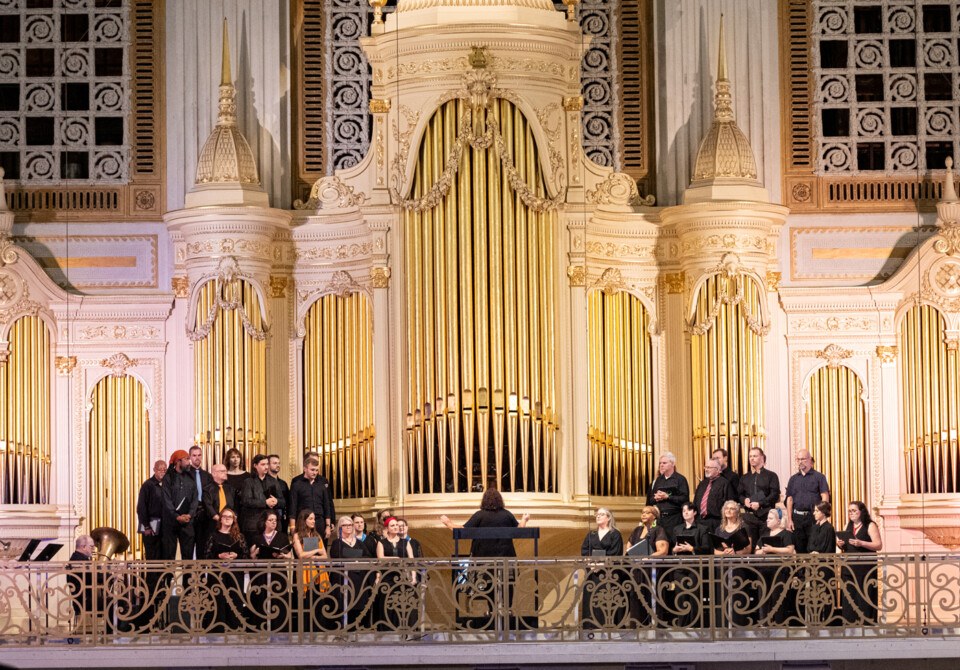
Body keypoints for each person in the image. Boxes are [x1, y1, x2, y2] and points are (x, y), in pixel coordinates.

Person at [440, 488, 530, 557]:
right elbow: (520, 531)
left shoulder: (479, 515)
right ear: (500, 500)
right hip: (505, 559)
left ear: (484, 500)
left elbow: (463, 531)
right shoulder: (507, 514)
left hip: (482, 560)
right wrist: (524, 519)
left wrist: (448, 523)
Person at [579, 508, 625, 631]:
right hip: (592, 572)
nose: (598, 516)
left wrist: (601, 565)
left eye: (601, 514)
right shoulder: (591, 534)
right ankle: (591, 626)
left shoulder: (615, 534)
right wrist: (590, 563)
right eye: (597, 514)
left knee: (607, 598)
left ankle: (608, 626)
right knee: (592, 598)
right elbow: (585, 551)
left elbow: (616, 553)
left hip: (608, 573)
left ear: (608, 518)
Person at [837, 500, 882, 625]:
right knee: (849, 595)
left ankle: (866, 624)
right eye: (849, 511)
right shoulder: (847, 525)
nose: (851, 513)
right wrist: (840, 544)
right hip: (849, 566)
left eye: (854, 510)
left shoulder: (870, 525)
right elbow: (845, 545)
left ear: (861, 512)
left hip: (864, 567)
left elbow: (878, 545)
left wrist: (861, 543)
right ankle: (850, 623)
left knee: (864, 595)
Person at [203, 507, 247, 632]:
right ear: (220, 519)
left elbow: (245, 555)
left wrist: (236, 555)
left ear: (234, 520)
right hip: (218, 574)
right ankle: (217, 628)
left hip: (235, 573)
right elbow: (206, 556)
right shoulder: (213, 536)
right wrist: (219, 556)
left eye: (230, 517)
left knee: (235, 598)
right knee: (218, 599)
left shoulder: (239, 537)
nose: (227, 519)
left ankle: (234, 627)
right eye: (225, 516)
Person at [248, 509, 292, 632]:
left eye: (275, 520)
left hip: (277, 573)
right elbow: (252, 557)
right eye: (270, 520)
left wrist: (283, 556)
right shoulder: (256, 538)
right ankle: (261, 629)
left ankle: (279, 629)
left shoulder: (282, 536)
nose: (274, 522)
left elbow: (289, 555)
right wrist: (254, 554)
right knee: (261, 599)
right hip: (261, 573)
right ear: (264, 522)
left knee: (278, 600)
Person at [329, 515, 376, 627]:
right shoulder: (337, 542)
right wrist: (356, 557)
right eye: (345, 525)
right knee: (345, 606)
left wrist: (353, 557)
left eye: (350, 524)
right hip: (344, 580)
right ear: (340, 527)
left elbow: (367, 557)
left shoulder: (359, 543)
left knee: (359, 606)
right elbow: (337, 557)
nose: (348, 527)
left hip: (359, 580)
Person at [626, 506, 668, 627]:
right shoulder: (637, 530)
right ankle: (637, 626)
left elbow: (663, 551)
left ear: (654, 516)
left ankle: (654, 626)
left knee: (652, 596)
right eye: (642, 512)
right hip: (637, 569)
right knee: (636, 597)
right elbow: (628, 547)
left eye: (647, 513)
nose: (643, 515)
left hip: (651, 570)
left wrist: (648, 558)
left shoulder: (658, 530)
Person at [669, 502, 710, 627]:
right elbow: (672, 547)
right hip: (680, 566)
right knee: (681, 595)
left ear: (695, 512)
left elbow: (707, 548)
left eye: (688, 510)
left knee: (694, 594)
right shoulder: (677, 529)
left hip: (695, 566)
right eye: (683, 511)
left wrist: (692, 548)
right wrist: (674, 550)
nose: (685, 512)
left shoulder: (702, 529)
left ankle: (695, 624)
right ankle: (682, 624)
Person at [755, 507, 796, 625]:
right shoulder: (764, 535)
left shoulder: (786, 534)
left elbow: (789, 550)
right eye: (767, 518)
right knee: (764, 596)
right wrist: (762, 551)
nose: (767, 520)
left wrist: (772, 549)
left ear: (778, 521)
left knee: (777, 596)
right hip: (764, 570)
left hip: (779, 570)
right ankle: (764, 623)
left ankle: (779, 623)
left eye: (770, 518)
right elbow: (756, 551)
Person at [375, 516, 417, 631]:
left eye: (397, 525)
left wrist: (413, 577)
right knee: (387, 603)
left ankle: (402, 629)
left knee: (402, 604)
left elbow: (412, 561)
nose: (396, 527)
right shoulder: (381, 542)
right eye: (392, 525)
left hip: (402, 576)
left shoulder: (405, 542)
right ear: (387, 528)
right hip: (387, 577)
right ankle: (387, 630)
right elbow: (380, 559)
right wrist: (395, 558)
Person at [785, 449, 830, 553]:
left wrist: (822, 516)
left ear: (810, 460)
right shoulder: (793, 479)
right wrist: (789, 519)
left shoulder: (819, 477)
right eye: (798, 459)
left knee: (813, 547)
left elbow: (825, 496)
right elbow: (789, 500)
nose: (800, 461)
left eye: (803, 459)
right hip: (797, 518)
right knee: (799, 549)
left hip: (813, 517)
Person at [292, 509, 329, 632]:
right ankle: (306, 631)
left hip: (318, 572)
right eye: (311, 519)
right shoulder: (297, 535)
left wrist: (315, 557)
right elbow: (301, 555)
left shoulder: (316, 535)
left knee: (318, 602)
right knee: (306, 603)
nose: (314, 521)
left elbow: (325, 556)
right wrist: (316, 551)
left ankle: (318, 631)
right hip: (304, 574)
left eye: (314, 519)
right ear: (304, 520)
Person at [738, 447, 781, 547]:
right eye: (750, 456)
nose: (752, 458)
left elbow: (774, 495)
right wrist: (744, 500)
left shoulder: (771, 475)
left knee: (765, 546)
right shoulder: (744, 477)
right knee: (749, 546)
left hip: (766, 516)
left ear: (762, 458)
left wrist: (760, 503)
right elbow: (739, 495)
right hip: (749, 517)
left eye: (755, 456)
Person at [288, 454, 334, 544]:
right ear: (305, 469)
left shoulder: (321, 486)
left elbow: (327, 506)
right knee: (306, 549)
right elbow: (292, 507)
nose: (315, 473)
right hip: (303, 523)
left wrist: (328, 526)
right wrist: (292, 527)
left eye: (316, 470)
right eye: (312, 470)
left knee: (320, 550)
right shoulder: (297, 485)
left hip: (320, 523)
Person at [161, 449, 198, 560]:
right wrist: (176, 516)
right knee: (169, 555)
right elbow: (166, 500)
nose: (189, 462)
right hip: (170, 522)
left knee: (188, 556)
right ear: (178, 461)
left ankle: (188, 573)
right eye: (186, 459)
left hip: (187, 521)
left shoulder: (191, 478)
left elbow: (195, 499)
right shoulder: (168, 478)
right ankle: (170, 573)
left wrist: (189, 514)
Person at [804, 501, 837, 625]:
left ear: (823, 513)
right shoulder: (814, 527)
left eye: (817, 511)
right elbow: (809, 545)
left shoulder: (829, 528)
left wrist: (817, 552)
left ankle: (828, 621)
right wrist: (813, 552)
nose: (814, 513)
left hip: (825, 566)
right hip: (814, 565)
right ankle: (815, 620)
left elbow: (828, 548)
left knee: (825, 593)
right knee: (814, 592)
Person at [240, 454, 283, 545]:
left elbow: (283, 502)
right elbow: (246, 501)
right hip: (254, 524)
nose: (266, 467)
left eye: (267, 464)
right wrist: (265, 502)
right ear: (255, 465)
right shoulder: (248, 482)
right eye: (263, 464)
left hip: (271, 525)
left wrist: (277, 501)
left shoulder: (273, 481)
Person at [646, 452, 689, 541]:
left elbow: (685, 499)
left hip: (674, 518)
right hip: (660, 519)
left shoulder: (680, 479)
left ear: (672, 464)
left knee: (673, 543)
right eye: (660, 463)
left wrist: (668, 497)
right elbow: (650, 500)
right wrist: (656, 498)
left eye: (664, 463)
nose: (661, 465)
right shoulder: (659, 480)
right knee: (660, 542)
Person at [136, 459, 166, 560]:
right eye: (160, 469)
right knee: (152, 555)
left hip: (164, 526)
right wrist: (146, 526)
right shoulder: (147, 485)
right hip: (150, 525)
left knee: (163, 556)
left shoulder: (167, 485)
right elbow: (141, 507)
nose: (162, 472)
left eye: (164, 470)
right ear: (154, 470)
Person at [188, 446, 214, 559]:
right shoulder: (185, 475)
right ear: (190, 457)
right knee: (188, 548)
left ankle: (202, 571)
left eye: (199, 455)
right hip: (190, 514)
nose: (197, 458)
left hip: (204, 515)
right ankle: (188, 571)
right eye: (194, 455)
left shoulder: (208, 476)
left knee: (202, 548)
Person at [692, 458, 732, 531]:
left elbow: (729, 504)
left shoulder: (725, 483)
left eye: (709, 467)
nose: (706, 469)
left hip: (716, 523)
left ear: (718, 470)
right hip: (699, 521)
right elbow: (695, 502)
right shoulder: (702, 484)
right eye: (705, 467)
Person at [268, 454, 290, 526]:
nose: (278, 465)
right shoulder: (263, 482)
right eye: (275, 463)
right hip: (268, 518)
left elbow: (288, 501)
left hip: (282, 519)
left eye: (279, 463)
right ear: (268, 465)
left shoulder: (283, 483)